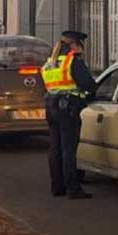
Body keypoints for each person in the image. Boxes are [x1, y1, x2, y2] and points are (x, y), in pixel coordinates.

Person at [42, 30, 97, 199]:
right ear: (75, 45)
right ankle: (73, 189)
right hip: (68, 109)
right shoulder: (72, 61)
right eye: (81, 45)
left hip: (51, 107)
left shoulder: (50, 62)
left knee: (55, 149)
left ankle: (57, 187)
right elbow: (89, 84)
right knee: (68, 150)